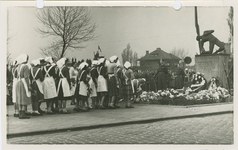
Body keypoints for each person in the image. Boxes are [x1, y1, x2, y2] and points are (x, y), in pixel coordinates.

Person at [15, 54, 31, 119]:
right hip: (23, 83)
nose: (27, 60)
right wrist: (28, 86)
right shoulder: (26, 66)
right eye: (27, 58)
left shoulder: (18, 66)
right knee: (24, 97)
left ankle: (20, 113)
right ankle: (23, 113)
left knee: (20, 98)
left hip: (18, 83)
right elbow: (26, 77)